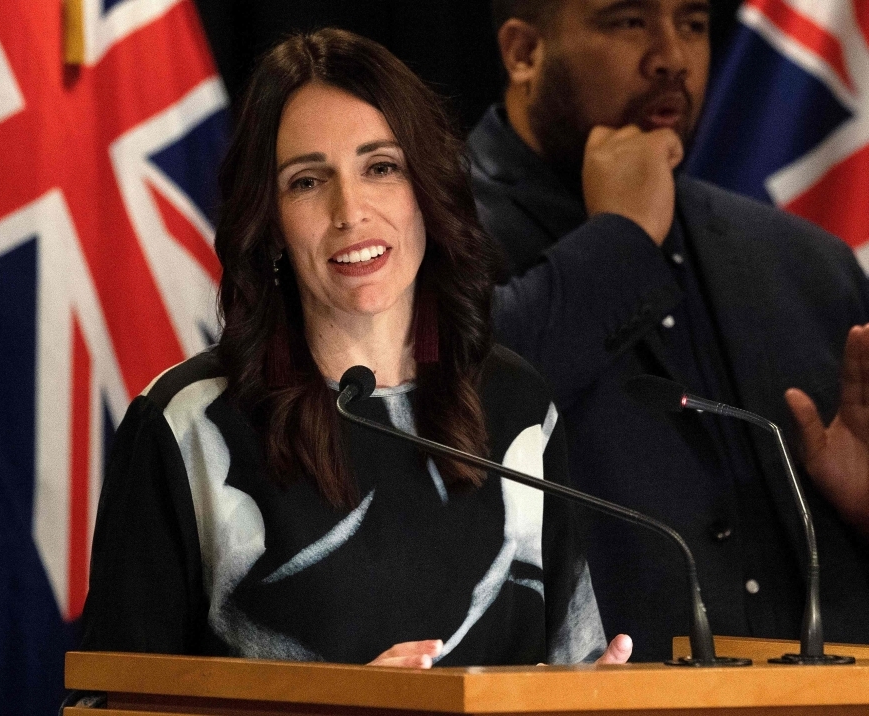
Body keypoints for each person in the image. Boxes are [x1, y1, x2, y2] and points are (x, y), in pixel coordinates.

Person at [81, 28, 632, 667]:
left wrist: (589, 695)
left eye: (381, 168)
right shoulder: (186, 425)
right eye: (307, 182)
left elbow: (570, 659)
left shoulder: (517, 406)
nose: (350, 210)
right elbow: (108, 701)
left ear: (429, 190)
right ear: (270, 221)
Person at [468, 0, 869, 662]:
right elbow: (446, 421)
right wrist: (621, 242)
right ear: (523, 52)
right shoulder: (419, 238)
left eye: (693, 24)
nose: (672, 58)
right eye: (628, 22)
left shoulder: (807, 262)